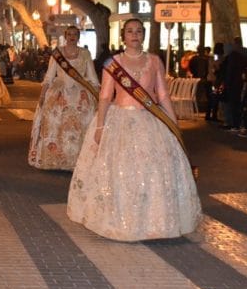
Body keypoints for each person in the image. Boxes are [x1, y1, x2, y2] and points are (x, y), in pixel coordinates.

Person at [67, 18, 201, 242]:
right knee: (119, 171)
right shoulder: (114, 63)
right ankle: (121, 221)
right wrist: (100, 125)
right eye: (130, 31)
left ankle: (152, 221)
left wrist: (173, 123)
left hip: (150, 121)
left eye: (139, 31)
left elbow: (163, 95)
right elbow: (105, 96)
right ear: (123, 36)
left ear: (144, 35)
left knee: (153, 172)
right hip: (119, 122)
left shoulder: (154, 61)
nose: (134, 35)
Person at [28, 26, 99, 171]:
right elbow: (49, 76)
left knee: (80, 125)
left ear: (78, 36)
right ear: (65, 36)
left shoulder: (85, 53)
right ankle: (57, 157)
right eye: (69, 34)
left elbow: (92, 77)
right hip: (59, 93)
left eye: (75, 34)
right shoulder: (57, 53)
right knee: (55, 124)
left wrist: (98, 94)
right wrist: (43, 94)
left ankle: (79, 159)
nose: (72, 36)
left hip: (80, 93)